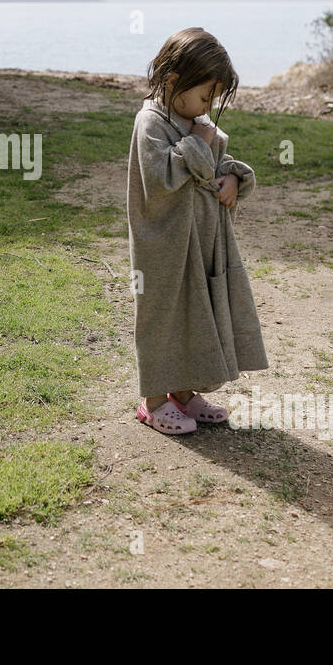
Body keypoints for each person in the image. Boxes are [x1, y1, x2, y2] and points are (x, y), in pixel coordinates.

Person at [126, 27, 269, 435]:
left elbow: (215, 165)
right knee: (162, 315)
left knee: (195, 313)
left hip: (200, 242)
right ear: (173, 82)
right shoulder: (150, 122)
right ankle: (153, 400)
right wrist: (198, 142)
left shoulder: (195, 121)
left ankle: (183, 392)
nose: (208, 106)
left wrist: (235, 180)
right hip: (165, 246)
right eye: (205, 95)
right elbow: (161, 178)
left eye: (212, 99)